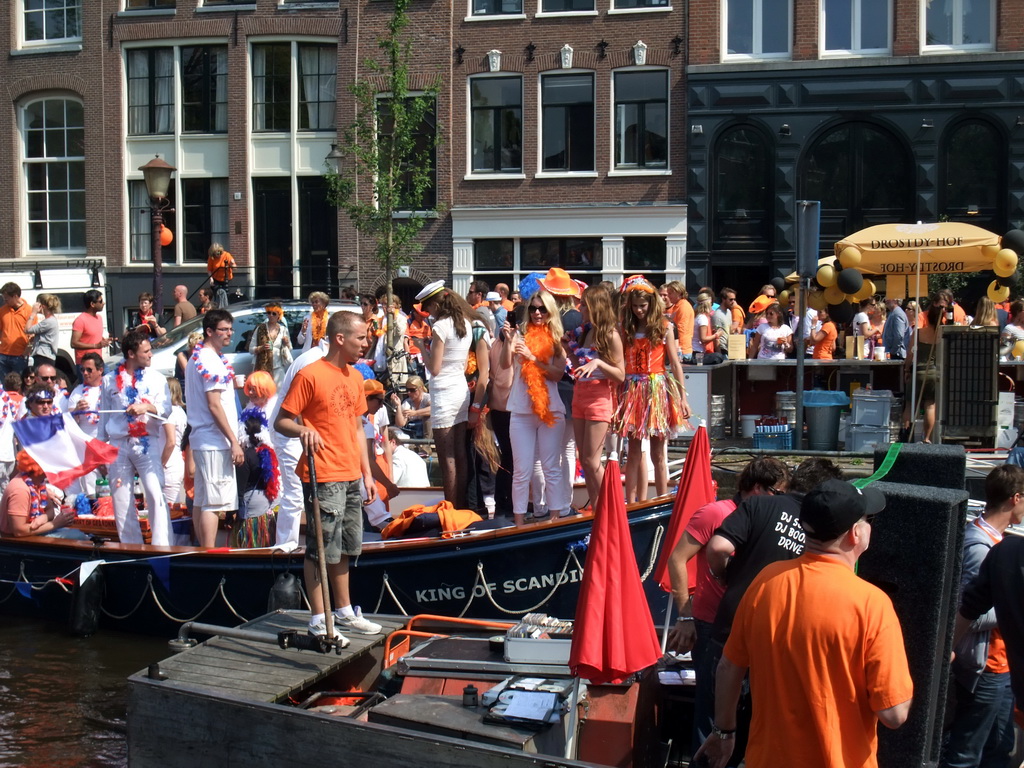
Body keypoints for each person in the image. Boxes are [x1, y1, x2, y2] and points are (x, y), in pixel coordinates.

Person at [695, 479, 913, 768]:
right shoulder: (872, 603)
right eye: (868, 519)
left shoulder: (766, 581)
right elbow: (894, 714)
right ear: (855, 533)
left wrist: (724, 732)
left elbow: (729, 666)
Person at [704, 457, 844, 762]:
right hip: (779, 642)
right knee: (761, 733)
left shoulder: (759, 506)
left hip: (732, 627)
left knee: (713, 730)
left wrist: (725, 575)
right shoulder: (823, 531)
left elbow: (717, 548)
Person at [666, 457, 789, 753]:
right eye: (779, 494)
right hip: (712, 628)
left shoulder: (767, 520)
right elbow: (676, 559)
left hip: (753, 628)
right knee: (711, 712)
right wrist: (685, 616)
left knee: (747, 710)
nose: (782, 502)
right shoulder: (715, 513)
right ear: (759, 488)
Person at [275, 310, 382, 643]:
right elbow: (282, 421)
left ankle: (345, 612)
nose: (366, 343)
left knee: (348, 548)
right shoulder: (309, 375)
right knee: (321, 548)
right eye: (360, 338)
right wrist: (303, 430)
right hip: (323, 473)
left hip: (350, 472)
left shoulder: (354, 378)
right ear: (340, 338)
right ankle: (319, 619)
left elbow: (357, 428)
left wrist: (367, 474)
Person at [940, 465, 1024, 768]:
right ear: (1015, 498)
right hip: (986, 668)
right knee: (968, 752)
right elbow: (969, 612)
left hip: (1002, 667)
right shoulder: (981, 546)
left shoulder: (994, 541)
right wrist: (1012, 606)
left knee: (999, 748)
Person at [615, 275, 691, 501]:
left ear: (652, 304)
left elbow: (675, 365)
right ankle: (631, 502)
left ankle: (662, 499)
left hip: (657, 388)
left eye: (643, 305)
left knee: (659, 452)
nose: (639, 310)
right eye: (636, 306)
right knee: (634, 451)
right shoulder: (624, 328)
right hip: (631, 388)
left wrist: (682, 398)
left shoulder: (665, 326)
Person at [501, 287, 570, 525]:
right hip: (521, 410)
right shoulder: (519, 334)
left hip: (550, 410)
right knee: (521, 471)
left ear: (550, 311)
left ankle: (554, 518)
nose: (537, 313)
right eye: (533, 308)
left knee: (551, 467)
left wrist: (532, 359)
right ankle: (519, 521)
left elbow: (557, 375)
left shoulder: (557, 339)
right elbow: (504, 364)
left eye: (542, 309)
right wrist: (508, 342)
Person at [98, 328, 172, 547]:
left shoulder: (157, 379)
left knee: (154, 491)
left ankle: (162, 546)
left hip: (146, 442)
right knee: (121, 498)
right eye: (146, 351)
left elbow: (166, 410)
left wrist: (146, 407)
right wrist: (101, 451)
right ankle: (130, 547)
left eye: (150, 350)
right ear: (131, 354)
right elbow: (103, 417)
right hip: (119, 443)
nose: (151, 355)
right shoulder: (109, 380)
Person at [186, 309, 243, 548]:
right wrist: (234, 441)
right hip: (214, 440)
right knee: (213, 502)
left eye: (231, 329)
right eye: (224, 330)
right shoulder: (209, 360)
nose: (229, 334)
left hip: (203, 438)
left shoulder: (199, 357)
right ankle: (209, 553)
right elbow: (214, 405)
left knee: (202, 499)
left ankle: (202, 549)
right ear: (209, 332)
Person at [415, 281, 475, 508]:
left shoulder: (440, 327)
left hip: (444, 392)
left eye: (427, 308)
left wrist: (421, 347)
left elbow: (435, 368)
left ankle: (451, 507)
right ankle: (461, 506)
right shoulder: (466, 323)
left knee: (446, 455)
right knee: (459, 452)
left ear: (435, 305)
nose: (427, 313)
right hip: (460, 389)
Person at [563, 285, 624, 507]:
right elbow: (581, 364)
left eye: (585, 304)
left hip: (599, 396)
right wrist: (569, 351)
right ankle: (597, 508)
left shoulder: (611, 334)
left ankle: (611, 507)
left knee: (592, 459)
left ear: (596, 306)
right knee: (585, 461)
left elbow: (620, 374)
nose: (581, 308)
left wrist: (599, 362)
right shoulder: (586, 331)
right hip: (580, 393)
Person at [0, 451, 84, 539]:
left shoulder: (38, 482)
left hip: (35, 533)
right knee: (79, 537)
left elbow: (50, 511)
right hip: (18, 542)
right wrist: (55, 524)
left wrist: (44, 517)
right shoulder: (21, 490)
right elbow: (19, 531)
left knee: (81, 533)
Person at [904, 291, 948, 443]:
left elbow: (911, 349)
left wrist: (906, 368)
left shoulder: (922, 318)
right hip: (934, 370)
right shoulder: (944, 322)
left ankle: (906, 435)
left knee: (911, 404)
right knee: (930, 405)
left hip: (919, 369)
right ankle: (927, 437)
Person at [232, 413, 280, 549]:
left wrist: (231, 514)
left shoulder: (245, 456)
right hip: (268, 504)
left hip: (251, 508)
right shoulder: (267, 453)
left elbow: (240, 489)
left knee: (249, 545)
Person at [66, 352, 104, 498]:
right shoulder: (77, 392)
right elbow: (70, 423)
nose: (85, 373)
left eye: (89, 370)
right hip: (87, 449)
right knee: (92, 491)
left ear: (100, 370)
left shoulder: (108, 388)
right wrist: (76, 411)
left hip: (107, 445)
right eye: (83, 370)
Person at [249, 302, 293, 388]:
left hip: (277, 368)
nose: (271, 315)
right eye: (269, 313)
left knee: (279, 395)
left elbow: (290, 348)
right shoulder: (260, 328)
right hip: (261, 368)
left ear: (279, 316)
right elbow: (251, 349)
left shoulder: (283, 329)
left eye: (274, 313)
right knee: (262, 393)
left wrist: (286, 342)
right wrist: (261, 348)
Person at [160, 377, 188, 510]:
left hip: (168, 465)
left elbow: (171, 442)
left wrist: (160, 464)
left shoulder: (169, 413)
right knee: (173, 508)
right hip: (177, 462)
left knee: (168, 510)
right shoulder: (180, 411)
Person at [0, 283, 32, 379]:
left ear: (15, 296)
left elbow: (33, 334)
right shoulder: (2, 310)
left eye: (7, 298)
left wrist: (25, 353)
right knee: (4, 384)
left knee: (19, 383)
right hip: (3, 355)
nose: (4, 300)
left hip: (19, 356)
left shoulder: (29, 311)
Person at [25, 293, 61, 369]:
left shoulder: (49, 321)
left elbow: (27, 329)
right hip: (45, 356)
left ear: (43, 306)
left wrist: (33, 313)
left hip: (43, 356)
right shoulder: (50, 320)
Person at [391, 374, 430, 440]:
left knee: (428, 417)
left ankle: (426, 444)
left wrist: (415, 413)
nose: (409, 393)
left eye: (412, 390)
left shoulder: (427, 398)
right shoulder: (408, 402)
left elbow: (433, 409)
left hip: (426, 430)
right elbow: (401, 423)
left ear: (420, 388)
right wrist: (398, 405)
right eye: (407, 390)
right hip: (411, 431)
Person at [665, 281, 695, 364]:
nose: (668, 296)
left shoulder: (683, 306)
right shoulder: (677, 306)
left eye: (670, 293)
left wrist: (678, 349)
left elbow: (682, 329)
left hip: (682, 350)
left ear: (678, 292)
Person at [207, 243, 235, 308]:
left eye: (219, 252)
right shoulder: (212, 258)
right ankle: (217, 308)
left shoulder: (227, 255)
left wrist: (232, 264)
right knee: (216, 294)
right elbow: (209, 269)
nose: (217, 255)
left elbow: (234, 267)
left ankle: (227, 308)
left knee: (226, 294)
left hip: (227, 279)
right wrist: (211, 278)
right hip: (216, 279)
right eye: (215, 253)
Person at [882, 296, 909, 360]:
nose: (886, 300)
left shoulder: (898, 314)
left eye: (888, 297)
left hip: (897, 355)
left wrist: (893, 351)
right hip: (893, 354)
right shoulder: (893, 313)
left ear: (896, 299)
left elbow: (899, 336)